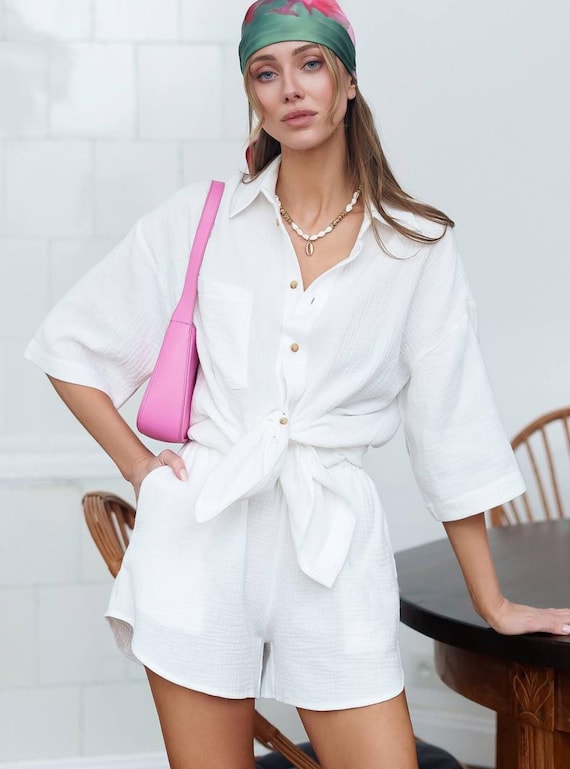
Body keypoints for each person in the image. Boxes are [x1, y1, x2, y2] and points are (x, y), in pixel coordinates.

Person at [25, 1, 570, 768]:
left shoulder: (416, 247)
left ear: (348, 81)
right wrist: (140, 466)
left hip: (331, 544)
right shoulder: (202, 220)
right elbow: (71, 344)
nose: (290, 88)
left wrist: (495, 603)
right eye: (265, 72)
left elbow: (453, 430)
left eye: (310, 64)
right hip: (199, 540)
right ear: (251, 94)